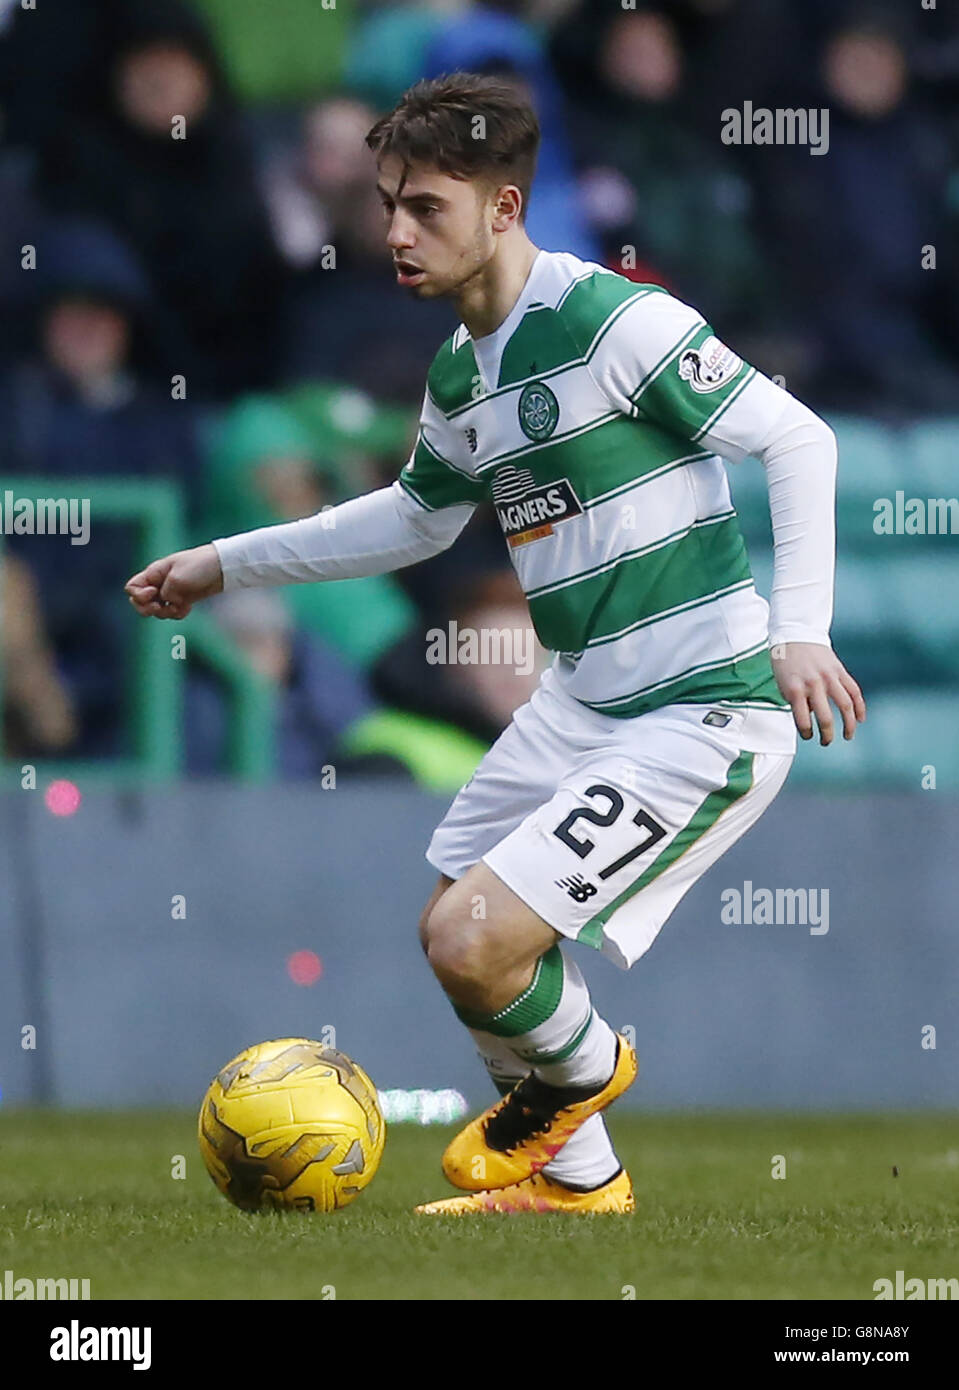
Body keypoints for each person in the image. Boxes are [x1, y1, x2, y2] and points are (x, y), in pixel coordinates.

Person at [126, 73, 866, 1216]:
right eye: (387, 206)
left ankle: (579, 1072)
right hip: (577, 705)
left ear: (506, 206)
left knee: (479, 940)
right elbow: (402, 522)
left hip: (698, 708)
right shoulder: (461, 377)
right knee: (450, 929)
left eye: (425, 206)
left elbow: (797, 439)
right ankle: (577, 1183)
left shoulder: (612, 320)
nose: (395, 233)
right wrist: (226, 561)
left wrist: (800, 633)